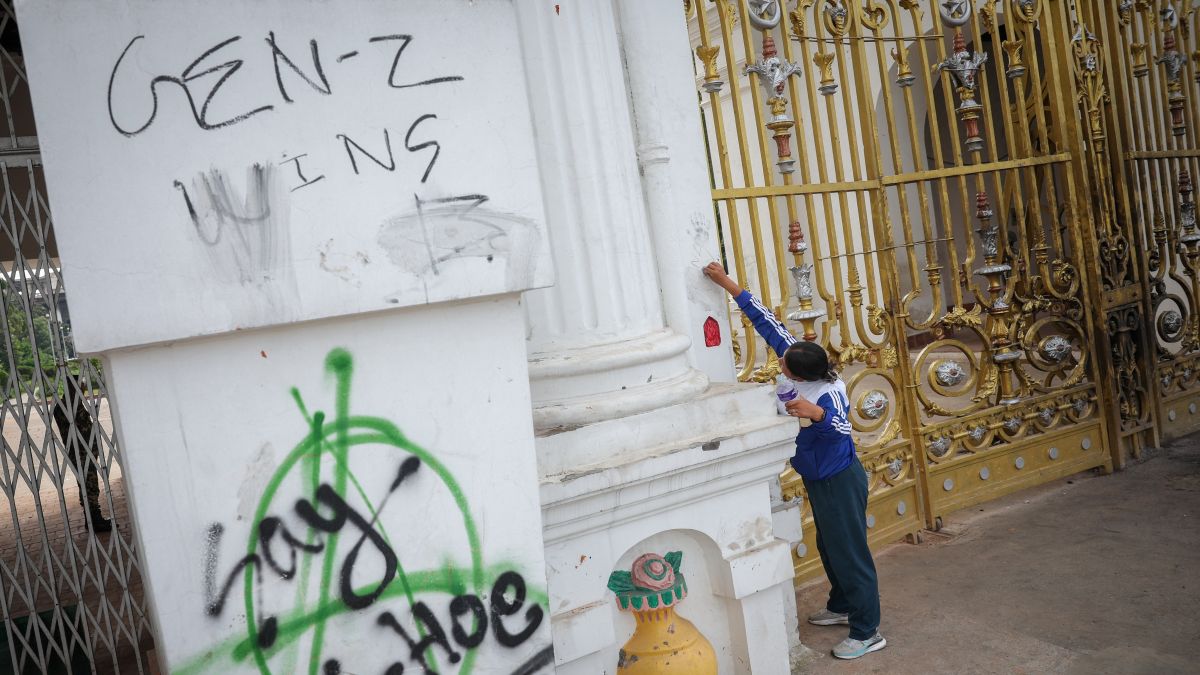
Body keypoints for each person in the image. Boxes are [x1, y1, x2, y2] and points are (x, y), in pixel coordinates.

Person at [703, 262, 884, 660]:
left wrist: (812, 414)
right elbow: (767, 322)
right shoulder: (799, 361)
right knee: (828, 543)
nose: (779, 363)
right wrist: (727, 284)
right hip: (820, 478)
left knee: (850, 551)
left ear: (802, 374)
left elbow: (840, 425)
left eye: (784, 365)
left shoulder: (827, 393)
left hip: (840, 478)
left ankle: (867, 629)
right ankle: (841, 606)